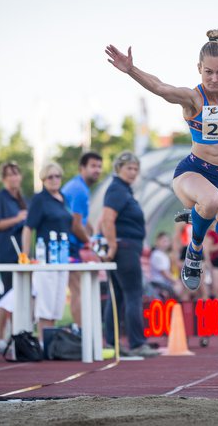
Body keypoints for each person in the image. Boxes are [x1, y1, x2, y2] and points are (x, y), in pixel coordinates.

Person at [106, 16, 218, 292]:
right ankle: (194, 253)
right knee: (210, 198)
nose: (215, 79)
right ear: (199, 69)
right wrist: (131, 70)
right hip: (194, 174)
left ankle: (207, 220)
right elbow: (160, 88)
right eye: (209, 72)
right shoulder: (193, 99)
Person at [100, 151, 159, 358]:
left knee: (116, 296)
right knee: (133, 295)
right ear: (118, 169)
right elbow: (107, 219)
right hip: (124, 249)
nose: (133, 172)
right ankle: (137, 343)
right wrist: (112, 246)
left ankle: (113, 343)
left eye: (136, 169)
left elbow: (104, 220)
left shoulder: (121, 190)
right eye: (129, 168)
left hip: (124, 247)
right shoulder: (117, 190)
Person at [21, 162, 72, 343]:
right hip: (46, 258)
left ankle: (53, 343)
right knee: (45, 303)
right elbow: (28, 228)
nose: (54, 180)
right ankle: (44, 342)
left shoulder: (63, 198)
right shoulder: (40, 199)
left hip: (62, 256)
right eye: (50, 177)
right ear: (43, 179)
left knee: (58, 302)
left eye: (57, 176)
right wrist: (25, 256)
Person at [61, 151, 103, 334]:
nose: (97, 170)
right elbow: (76, 225)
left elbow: (81, 220)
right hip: (68, 247)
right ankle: (82, 334)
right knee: (77, 290)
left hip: (69, 245)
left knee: (78, 289)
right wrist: (92, 243)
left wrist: (90, 229)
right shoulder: (79, 190)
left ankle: (83, 331)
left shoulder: (79, 187)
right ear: (82, 168)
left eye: (99, 166)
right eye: (93, 166)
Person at [0, 162, 27, 352]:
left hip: (21, 253)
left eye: (16, 174)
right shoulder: (0, 197)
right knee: (7, 293)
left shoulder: (22, 198)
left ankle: (17, 334)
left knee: (19, 294)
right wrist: (18, 218)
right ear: (4, 179)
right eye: (9, 175)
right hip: (6, 250)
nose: (14, 178)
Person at [149, 232, 178, 300]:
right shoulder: (156, 254)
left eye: (167, 241)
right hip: (159, 284)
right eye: (164, 241)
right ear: (157, 241)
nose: (166, 244)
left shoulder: (165, 255)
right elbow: (165, 273)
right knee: (181, 288)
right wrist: (176, 281)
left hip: (165, 284)